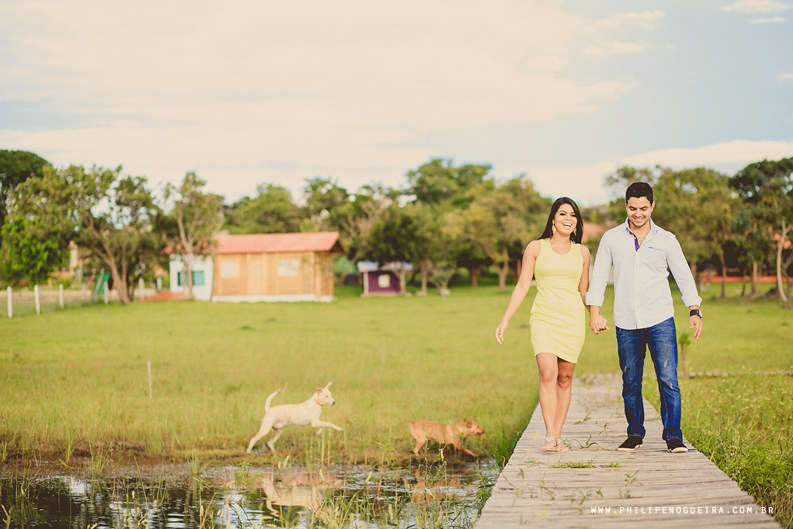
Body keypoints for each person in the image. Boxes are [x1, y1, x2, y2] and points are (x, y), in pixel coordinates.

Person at [586, 182, 703, 454]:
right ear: (625, 205)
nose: (637, 214)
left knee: (668, 380)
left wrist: (694, 309)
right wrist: (594, 312)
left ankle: (673, 436)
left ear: (652, 206)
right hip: (626, 322)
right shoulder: (611, 238)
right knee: (630, 382)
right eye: (632, 208)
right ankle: (635, 434)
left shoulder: (666, 240)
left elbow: (683, 275)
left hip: (660, 319)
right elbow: (600, 276)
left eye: (643, 208)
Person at [495, 197, 591, 452]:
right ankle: (549, 436)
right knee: (548, 372)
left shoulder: (582, 252)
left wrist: (595, 314)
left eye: (573, 215)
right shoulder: (536, 248)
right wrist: (505, 319)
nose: (568, 219)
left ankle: (558, 436)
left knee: (565, 378)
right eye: (562, 214)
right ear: (552, 219)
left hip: (572, 319)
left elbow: (584, 291)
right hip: (544, 319)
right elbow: (523, 285)